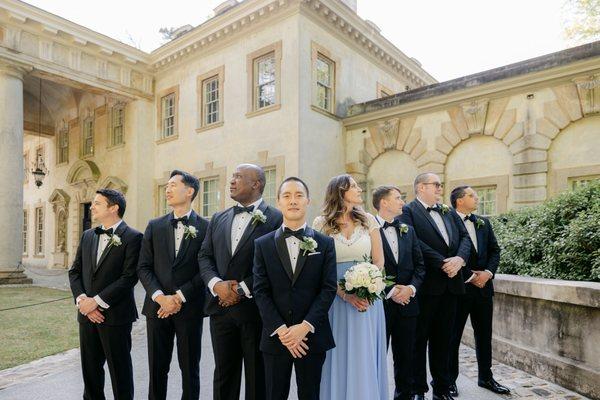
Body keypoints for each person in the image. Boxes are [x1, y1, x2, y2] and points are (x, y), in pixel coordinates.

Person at [199, 163, 282, 400]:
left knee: (257, 376)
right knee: (224, 375)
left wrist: (240, 289)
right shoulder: (218, 217)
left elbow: (274, 264)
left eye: (238, 177)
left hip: (256, 312)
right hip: (220, 311)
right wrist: (216, 285)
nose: (231, 181)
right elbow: (204, 255)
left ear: (256, 184)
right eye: (232, 176)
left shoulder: (275, 219)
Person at [253, 177, 337, 400]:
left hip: (312, 334)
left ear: (308, 201)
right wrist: (282, 330)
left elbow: (328, 289)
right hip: (276, 337)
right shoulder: (262, 244)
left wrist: (305, 327)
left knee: (310, 394)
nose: (293, 201)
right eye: (287, 196)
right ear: (279, 202)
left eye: (299, 195)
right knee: (274, 394)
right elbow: (260, 291)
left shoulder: (325, 243)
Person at [315, 174, 389, 400]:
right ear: (340, 191)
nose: (359, 189)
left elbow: (379, 261)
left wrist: (369, 286)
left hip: (367, 301)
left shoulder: (369, 221)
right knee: (336, 353)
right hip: (334, 299)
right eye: (354, 186)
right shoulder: (321, 224)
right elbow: (317, 268)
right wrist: (344, 294)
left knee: (363, 353)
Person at [137, 170, 209, 400]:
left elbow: (206, 270)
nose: (167, 189)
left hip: (190, 308)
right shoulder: (154, 226)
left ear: (189, 191)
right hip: (157, 308)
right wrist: (161, 297)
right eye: (166, 186)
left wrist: (179, 297)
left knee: (190, 369)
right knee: (157, 369)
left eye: (173, 185)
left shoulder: (207, 228)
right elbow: (143, 267)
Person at [399, 173, 471, 400]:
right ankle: (418, 389)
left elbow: (465, 237)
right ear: (421, 187)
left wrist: (459, 259)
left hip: (451, 285)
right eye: (436, 185)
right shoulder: (409, 210)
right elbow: (414, 242)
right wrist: (442, 262)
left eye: (440, 185)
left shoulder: (448, 211)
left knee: (444, 340)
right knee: (419, 341)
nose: (440, 188)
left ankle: (441, 388)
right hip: (426, 285)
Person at [68, 189, 142, 400]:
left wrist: (97, 302)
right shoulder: (88, 235)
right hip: (86, 315)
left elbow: (129, 278)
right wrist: (83, 301)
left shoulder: (134, 237)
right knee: (90, 371)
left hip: (116, 316)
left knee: (120, 372)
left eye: (97, 203)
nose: (91, 207)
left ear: (114, 208)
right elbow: (75, 272)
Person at [448, 186, 510, 396]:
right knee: (452, 337)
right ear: (459, 201)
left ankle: (486, 377)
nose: (477, 198)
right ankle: (449, 380)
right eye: (472, 196)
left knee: (484, 335)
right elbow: (448, 254)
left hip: (484, 289)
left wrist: (488, 273)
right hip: (459, 289)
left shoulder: (484, 222)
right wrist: (472, 276)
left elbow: (495, 250)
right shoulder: (448, 222)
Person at [372, 185, 426, 400]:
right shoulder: (369, 229)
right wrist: (391, 290)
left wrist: (410, 289)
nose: (402, 202)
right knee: (376, 356)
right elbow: (366, 266)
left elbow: (420, 266)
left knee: (406, 357)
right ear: (384, 202)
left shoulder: (408, 230)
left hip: (408, 305)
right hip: (380, 305)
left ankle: (404, 396)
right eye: (398, 198)